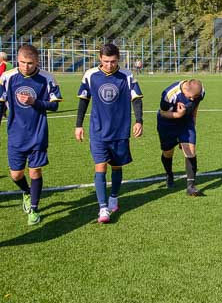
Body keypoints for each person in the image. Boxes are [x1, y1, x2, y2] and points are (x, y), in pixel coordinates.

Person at [75, 43, 143, 224]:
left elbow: (136, 98)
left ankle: (113, 197)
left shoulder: (127, 75)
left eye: (113, 61)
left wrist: (139, 120)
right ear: (100, 59)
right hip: (98, 131)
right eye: (106, 61)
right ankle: (103, 208)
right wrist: (78, 125)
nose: (109, 65)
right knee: (100, 167)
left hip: (120, 131)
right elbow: (83, 101)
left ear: (118, 58)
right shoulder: (90, 75)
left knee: (117, 167)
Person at [0, 45, 62, 225]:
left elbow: (55, 105)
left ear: (37, 62)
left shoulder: (47, 78)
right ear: (17, 60)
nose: (26, 66)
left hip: (38, 132)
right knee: (16, 175)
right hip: (16, 133)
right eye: (22, 63)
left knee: (35, 170)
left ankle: (33, 209)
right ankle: (26, 192)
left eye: (30, 63)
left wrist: (35, 102)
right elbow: (1, 103)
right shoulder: (7, 77)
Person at [157, 79, 205, 195]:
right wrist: (178, 114)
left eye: (195, 96)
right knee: (168, 152)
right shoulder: (170, 94)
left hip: (186, 123)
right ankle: (169, 174)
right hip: (167, 123)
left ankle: (191, 187)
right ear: (185, 89)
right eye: (191, 97)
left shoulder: (200, 91)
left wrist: (193, 121)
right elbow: (163, 113)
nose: (192, 99)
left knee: (190, 150)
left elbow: (196, 104)